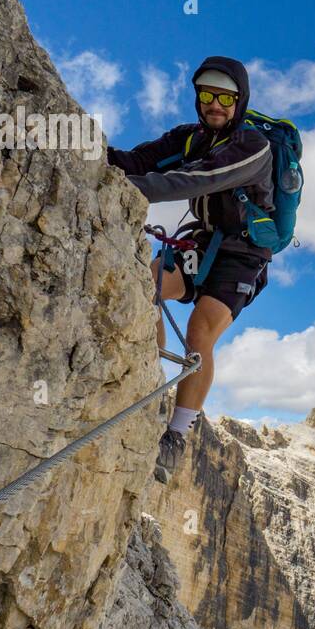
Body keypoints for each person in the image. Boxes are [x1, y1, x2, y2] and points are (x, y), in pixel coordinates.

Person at [107, 56, 274, 480]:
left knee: (200, 333)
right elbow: (135, 160)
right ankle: (149, 379)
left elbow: (197, 181)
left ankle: (177, 434)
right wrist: (93, 158)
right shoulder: (189, 138)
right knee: (146, 283)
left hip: (245, 255)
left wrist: (126, 189)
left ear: (240, 100)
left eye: (225, 97)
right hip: (201, 239)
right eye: (207, 95)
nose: (214, 104)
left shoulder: (254, 147)